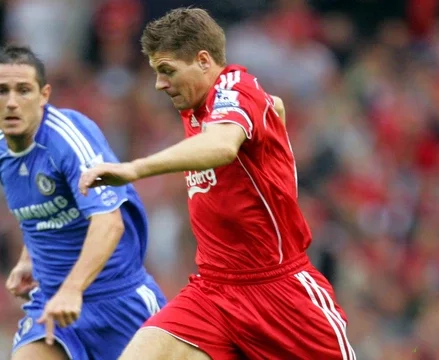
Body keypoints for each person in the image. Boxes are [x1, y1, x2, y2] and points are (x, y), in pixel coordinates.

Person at [79, 8, 355, 360]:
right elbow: (273, 108)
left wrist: (134, 169)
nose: (159, 84)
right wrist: (274, 123)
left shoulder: (234, 89)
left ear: (204, 60)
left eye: (167, 71)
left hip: (281, 296)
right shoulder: (200, 104)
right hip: (213, 291)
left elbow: (222, 146)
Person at [0, 44, 166, 360]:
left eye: (23, 90)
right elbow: (38, 212)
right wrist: (28, 259)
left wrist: (73, 289)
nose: (11, 102)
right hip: (54, 305)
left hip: (118, 302)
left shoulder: (68, 139)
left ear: (44, 95)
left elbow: (109, 223)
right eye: (1, 90)